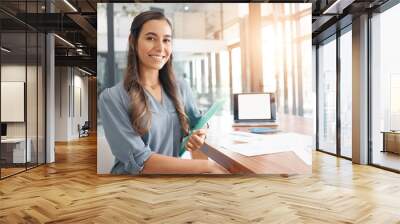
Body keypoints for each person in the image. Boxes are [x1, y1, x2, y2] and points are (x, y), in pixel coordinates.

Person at [99, 11, 229, 174]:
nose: (160, 47)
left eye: (166, 40)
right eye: (150, 38)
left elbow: (199, 123)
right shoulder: (112, 98)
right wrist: (207, 167)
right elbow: (141, 162)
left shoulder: (180, 87)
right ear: (133, 41)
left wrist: (200, 134)